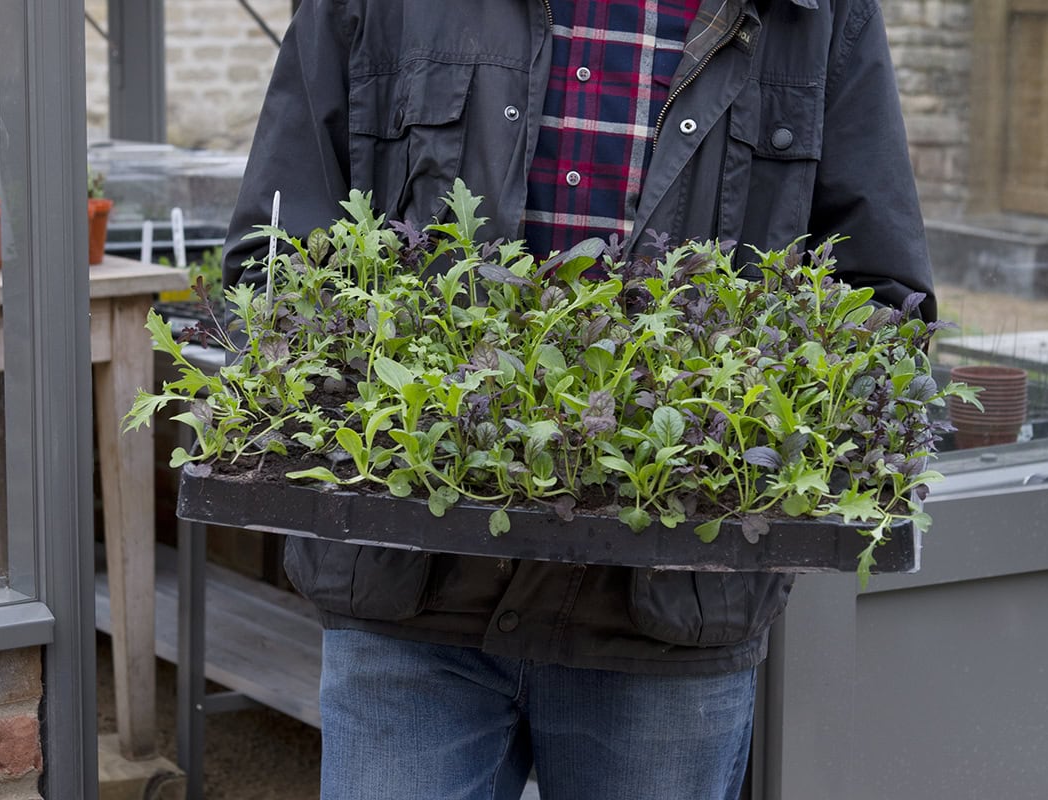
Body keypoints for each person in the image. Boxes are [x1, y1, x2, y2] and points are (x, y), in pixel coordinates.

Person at [223, 0, 936, 797]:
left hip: (667, 615)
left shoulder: (815, 13)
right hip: (411, 595)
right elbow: (275, 261)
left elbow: (879, 302)